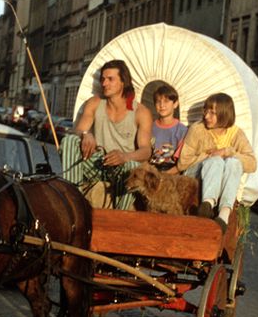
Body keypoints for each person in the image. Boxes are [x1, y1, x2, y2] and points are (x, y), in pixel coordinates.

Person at [61, 59, 153, 209]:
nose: (104, 84)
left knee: (132, 166)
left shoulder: (141, 112)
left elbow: (146, 150)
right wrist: (85, 134)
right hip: (96, 162)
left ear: (123, 81)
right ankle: (73, 203)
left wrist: (125, 156)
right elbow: (77, 131)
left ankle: (120, 217)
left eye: (110, 79)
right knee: (69, 140)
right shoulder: (95, 103)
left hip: (121, 168)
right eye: (103, 79)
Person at [177, 93, 256, 232]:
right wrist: (208, 155)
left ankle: (224, 214)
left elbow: (252, 164)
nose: (207, 116)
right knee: (216, 161)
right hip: (195, 174)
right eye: (206, 111)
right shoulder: (197, 129)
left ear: (224, 114)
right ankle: (207, 204)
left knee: (234, 163)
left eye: (212, 113)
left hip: (221, 177)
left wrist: (227, 151)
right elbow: (182, 164)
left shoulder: (236, 134)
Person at [149, 84, 187, 173]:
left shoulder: (182, 130)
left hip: (172, 172)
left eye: (166, 101)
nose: (162, 105)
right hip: (152, 170)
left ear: (175, 104)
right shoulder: (150, 127)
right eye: (158, 102)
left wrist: (165, 175)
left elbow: (180, 163)